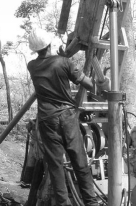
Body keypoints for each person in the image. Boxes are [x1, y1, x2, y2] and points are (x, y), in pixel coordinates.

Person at [27, 29, 109, 206]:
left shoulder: (31, 66)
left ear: (35, 49)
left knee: (56, 167)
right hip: (67, 117)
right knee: (80, 161)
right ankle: (91, 202)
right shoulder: (63, 63)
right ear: (49, 44)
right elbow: (88, 84)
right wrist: (101, 82)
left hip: (47, 120)